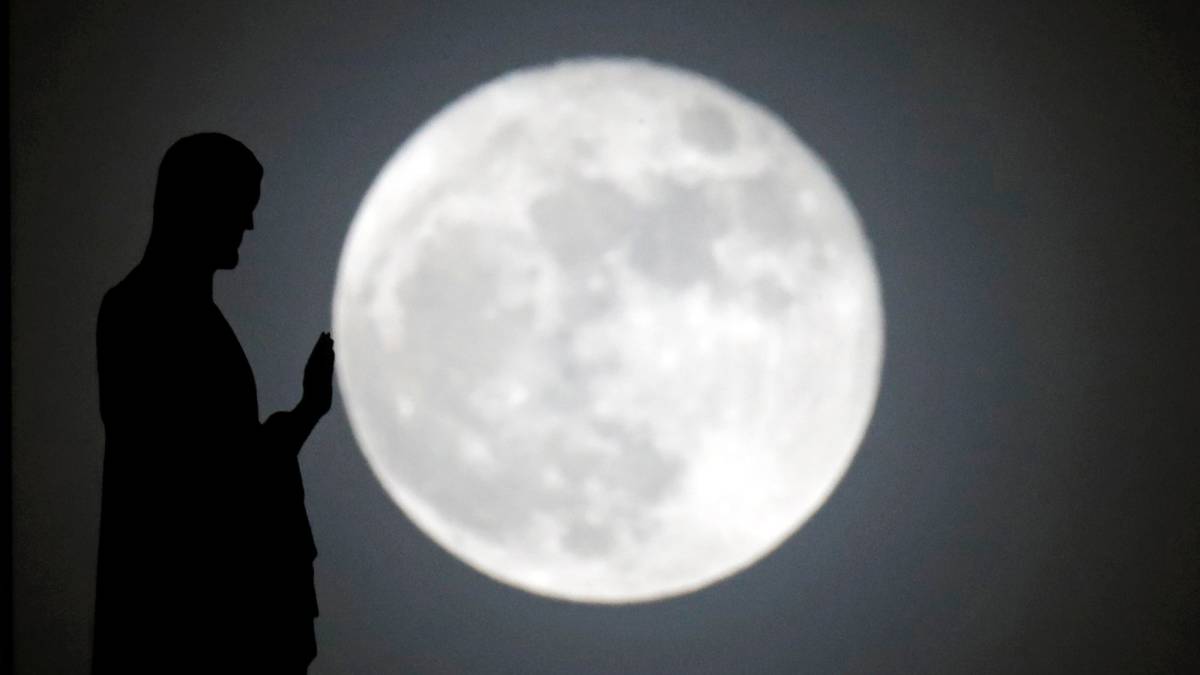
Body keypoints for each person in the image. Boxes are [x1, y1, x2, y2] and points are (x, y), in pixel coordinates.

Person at [91, 133, 333, 673]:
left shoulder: (192, 319)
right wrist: (303, 415)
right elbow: (196, 476)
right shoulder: (141, 312)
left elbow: (232, 460)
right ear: (198, 204)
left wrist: (307, 410)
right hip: (188, 618)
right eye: (239, 207)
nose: (248, 225)